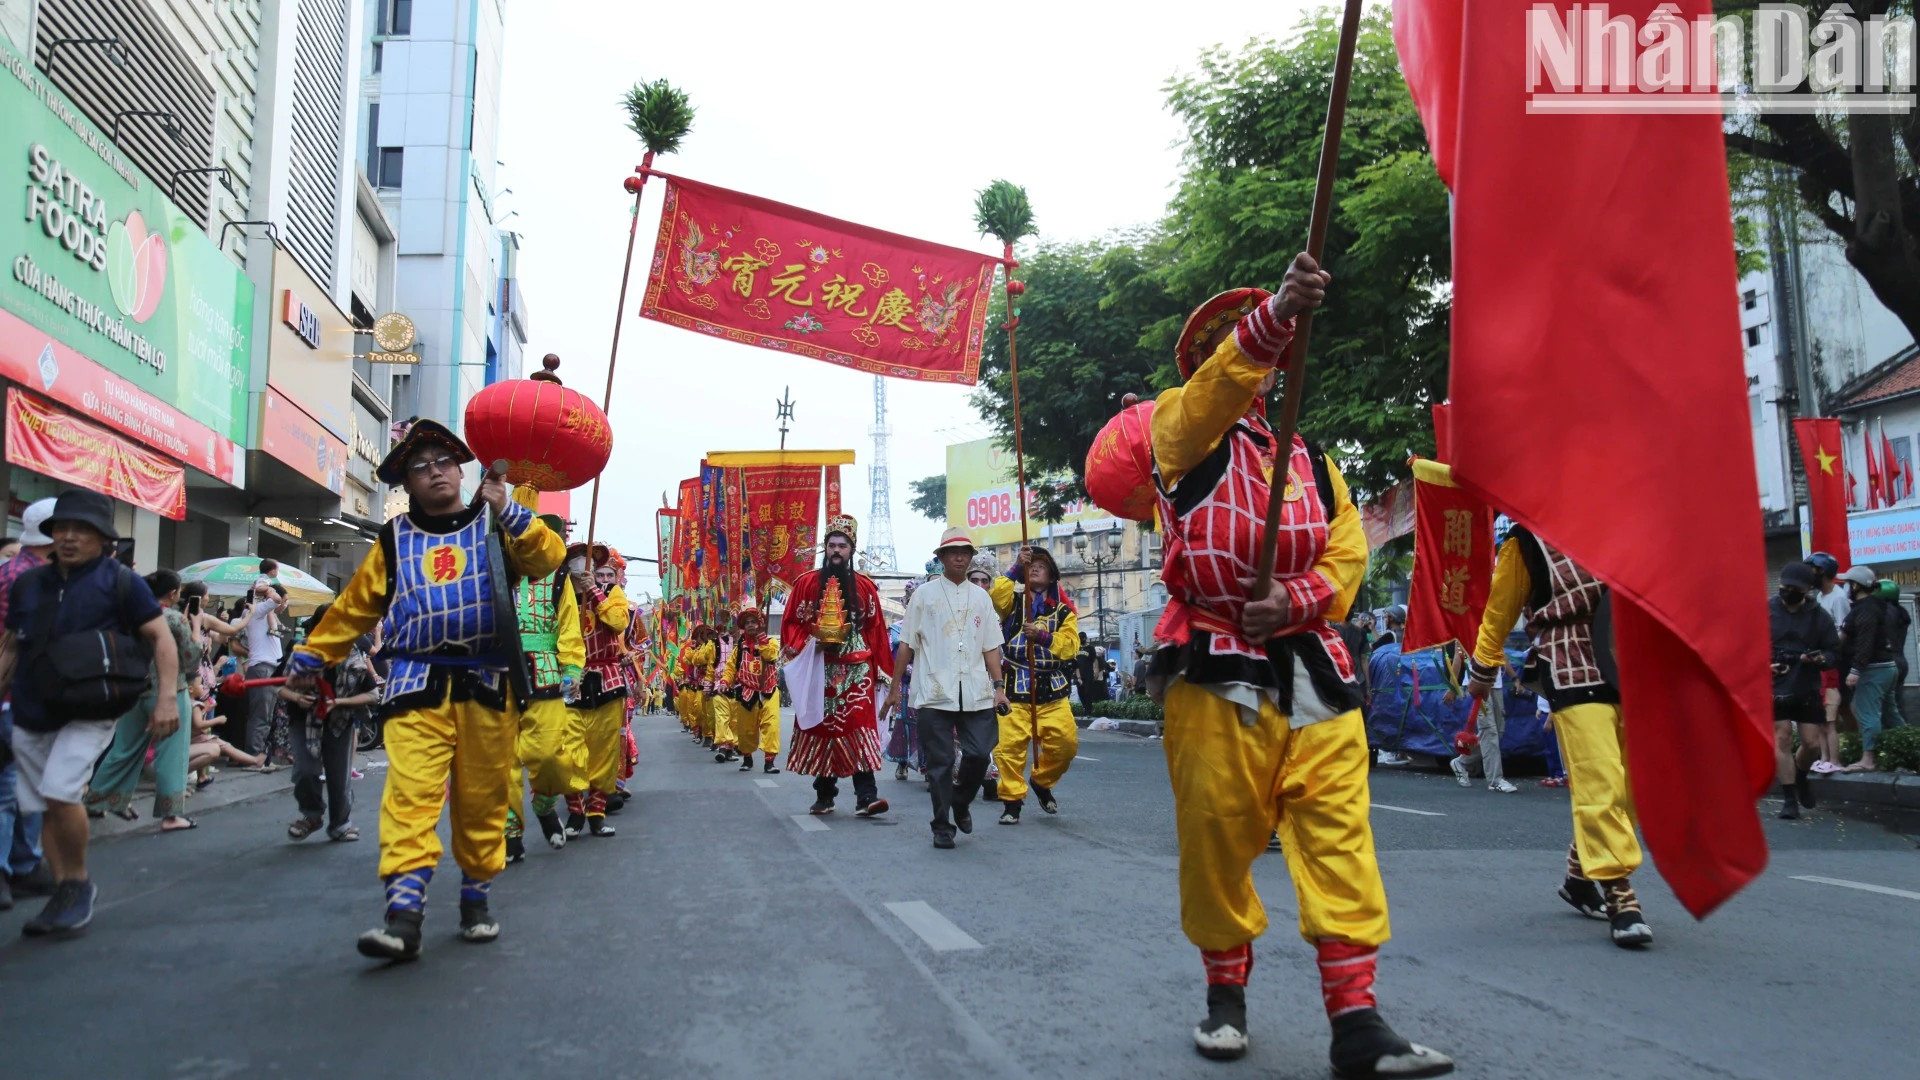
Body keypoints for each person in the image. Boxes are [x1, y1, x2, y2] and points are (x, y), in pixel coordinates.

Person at [1145, 263, 1450, 1077]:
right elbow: (1204, 404)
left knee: (1340, 837)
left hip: (1314, 665)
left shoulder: (1310, 461)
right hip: (1213, 666)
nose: (1251, 364)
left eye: (1262, 346)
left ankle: (1357, 1022)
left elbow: (1347, 549)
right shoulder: (1178, 435)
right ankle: (1225, 998)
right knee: (1218, 835)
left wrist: (1300, 597)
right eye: (1229, 350)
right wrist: (1274, 312)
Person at [287, 419, 565, 961]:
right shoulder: (394, 538)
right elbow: (356, 606)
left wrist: (507, 508)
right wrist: (313, 653)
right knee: (409, 796)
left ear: (461, 471)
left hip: (488, 684)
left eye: (443, 462)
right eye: (420, 466)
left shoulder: (497, 522)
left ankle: (475, 897)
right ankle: (404, 914)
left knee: (483, 801)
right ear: (406, 484)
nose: (434, 471)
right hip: (415, 683)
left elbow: (548, 558)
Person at [0, 489, 179, 938]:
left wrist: (167, 698)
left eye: (81, 530)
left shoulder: (121, 582)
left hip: (92, 707)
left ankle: (77, 881)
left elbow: (161, 639)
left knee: (60, 792)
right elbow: (9, 647)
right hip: (31, 707)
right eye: (61, 529)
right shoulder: (28, 584)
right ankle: (62, 888)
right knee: (38, 803)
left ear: (103, 539)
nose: (69, 537)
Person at [1469, 524, 1649, 950]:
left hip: (1630, 656)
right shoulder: (1525, 542)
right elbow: (1499, 610)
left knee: (1635, 783)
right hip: (1570, 659)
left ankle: (1579, 874)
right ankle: (1619, 891)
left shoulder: (1621, 520)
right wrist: (1483, 666)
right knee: (1599, 776)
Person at [885, 528, 1007, 849]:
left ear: (970, 557)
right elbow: (907, 645)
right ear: (941, 557)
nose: (959, 557)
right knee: (939, 763)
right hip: (934, 690)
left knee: (980, 754)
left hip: (977, 690)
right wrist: (895, 687)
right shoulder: (924, 596)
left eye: (965, 552)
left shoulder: (982, 597)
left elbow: (991, 646)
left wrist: (999, 687)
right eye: (952, 552)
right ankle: (941, 825)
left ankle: (961, 802)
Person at [781, 515, 895, 818]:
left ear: (852, 549)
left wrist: (884, 672)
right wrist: (809, 643)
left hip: (857, 672)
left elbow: (877, 631)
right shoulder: (805, 584)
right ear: (825, 548)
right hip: (819, 668)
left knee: (859, 729)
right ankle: (824, 794)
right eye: (831, 545)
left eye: (842, 545)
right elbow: (790, 623)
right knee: (823, 728)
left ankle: (866, 796)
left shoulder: (865, 588)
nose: (836, 550)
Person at [85, 569, 202, 831]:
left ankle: (96, 801)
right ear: (173, 593)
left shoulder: (127, 617)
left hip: (134, 691)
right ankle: (171, 815)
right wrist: (196, 626)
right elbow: (190, 658)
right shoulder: (173, 619)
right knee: (172, 753)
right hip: (171, 692)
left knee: (123, 750)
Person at [508, 513, 586, 857]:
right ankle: (510, 833)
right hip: (499, 673)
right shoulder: (497, 566)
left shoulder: (559, 578)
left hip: (546, 675)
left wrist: (572, 668)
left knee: (550, 756)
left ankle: (544, 804)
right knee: (503, 764)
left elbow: (570, 625)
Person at [984, 546, 1079, 824]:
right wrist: (1015, 567)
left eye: (1042, 565)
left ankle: (1042, 780)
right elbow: (993, 599)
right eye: (1031, 565)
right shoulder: (1013, 601)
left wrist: (1043, 636)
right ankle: (1012, 802)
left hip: (1052, 690)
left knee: (1066, 745)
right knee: (1009, 749)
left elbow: (1071, 647)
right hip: (1015, 688)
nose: (1035, 568)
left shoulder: (1063, 612)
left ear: (1052, 577)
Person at [0, 497, 55, 913]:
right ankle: (18, 865)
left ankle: (21, 864)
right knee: (17, 787)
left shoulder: (13, 571)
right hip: (18, 696)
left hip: (18, 695)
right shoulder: (36, 580)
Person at [284, 607, 379, 843]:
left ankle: (340, 824)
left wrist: (338, 702)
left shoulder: (352, 654)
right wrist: (297, 697)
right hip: (304, 720)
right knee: (304, 772)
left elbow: (373, 694)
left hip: (339, 722)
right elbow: (279, 686)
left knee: (339, 778)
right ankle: (312, 816)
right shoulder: (301, 651)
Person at [564, 543, 630, 838]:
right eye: (575, 562)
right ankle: (575, 811)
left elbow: (618, 623)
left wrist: (594, 591)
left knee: (604, 751)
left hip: (607, 678)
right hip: (571, 679)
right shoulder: (560, 595)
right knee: (569, 751)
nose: (581, 567)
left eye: (585, 563)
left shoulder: (612, 595)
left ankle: (597, 812)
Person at [1769, 562, 1838, 819]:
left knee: (1811, 744)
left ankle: (1799, 775)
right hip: (1774, 684)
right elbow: (1747, 644)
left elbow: (1833, 650)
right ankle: (1789, 799)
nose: (1787, 592)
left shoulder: (1819, 616)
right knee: (1783, 737)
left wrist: (1821, 660)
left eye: (1794, 589)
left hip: (1806, 683)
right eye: (1784, 588)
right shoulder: (1766, 610)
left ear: (1808, 589)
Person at [1837, 564, 1897, 772]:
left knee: (1867, 713)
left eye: (1848, 584)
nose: (1846, 587)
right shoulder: (1872, 607)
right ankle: (1906, 752)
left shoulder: (1866, 610)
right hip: (1887, 667)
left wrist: (1855, 670)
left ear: (1856, 586)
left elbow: (1865, 642)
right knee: (1891, 714)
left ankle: (1868, 760)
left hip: (1874, 669)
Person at [722, 598, 781, 773]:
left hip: (768, 690)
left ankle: (769, 762)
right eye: (747, 623)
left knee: (771, 727)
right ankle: (747, 758)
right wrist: (725, 682)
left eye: (754, 622)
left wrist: (762, 641)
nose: (750, 625)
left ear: (760, 624)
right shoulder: (739, 649)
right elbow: (730, 668)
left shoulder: (771, 642)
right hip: (747, 692)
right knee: (746, 731)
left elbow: (771, 656)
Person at [1446, 646, 1516, 793]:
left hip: (1495, 685)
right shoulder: (1467, 628)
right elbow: (1458, 658)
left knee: (1498, 730)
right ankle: (1495, 780)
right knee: (1489, 731)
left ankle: (1461, 762)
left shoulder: (1492, 627)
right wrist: (1453, 688)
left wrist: (1515, 678)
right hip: (1477, 685)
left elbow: (1501, 653)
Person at [1807, 551, 1849, 773]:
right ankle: (1823, 757)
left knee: (1829, 717)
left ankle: (1834, 759)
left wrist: (1828, 653)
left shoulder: (1839, 597)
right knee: (1821, 717)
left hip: (1830, 664)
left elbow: (1844, 630)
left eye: (1812, 569)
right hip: (1819, 661)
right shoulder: (1821, 598)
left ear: (1821, 571)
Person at [242, 575, 290, 762]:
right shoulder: (257, 611)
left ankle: (260, 756)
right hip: (262, 668)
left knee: (265, 716)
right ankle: (254, 757)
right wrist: (268, 588)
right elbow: (276, 599)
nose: (284, 604)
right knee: (261, 717)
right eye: (285, 600)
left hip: (268, 668)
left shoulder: (266, 614)